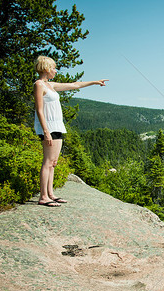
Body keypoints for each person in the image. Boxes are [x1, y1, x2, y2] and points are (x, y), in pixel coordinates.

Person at [33, 55, 108, 207]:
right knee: (47, 162)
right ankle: (43, 196)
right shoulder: (39, 85)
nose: (55, 70)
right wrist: (46, 131)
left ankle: (51, 194)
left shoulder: (50, 85)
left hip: (57, 126)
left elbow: (75, 85)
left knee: (53, 163)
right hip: (48, 127)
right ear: (46, 69)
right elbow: (39, 110)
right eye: (53, 68)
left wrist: (94, 82)